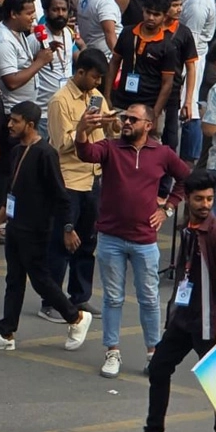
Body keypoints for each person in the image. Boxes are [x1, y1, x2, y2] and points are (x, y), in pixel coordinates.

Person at [76, 103, 191, 379]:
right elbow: (85, 153)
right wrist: (82, 130)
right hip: (111, 238)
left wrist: (167, 208)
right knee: (112, 298)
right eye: (125, 118)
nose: (126, 122)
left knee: (149, 298)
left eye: (132, 119)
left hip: (144, 240)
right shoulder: (110, 148)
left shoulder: (162, 154)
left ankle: (154, 353)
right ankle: (112, 351)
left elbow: (187, 179)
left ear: (148, 125)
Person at [0, 101, 93, 352]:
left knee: (40, 280)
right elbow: (12, 193)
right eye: (10, 120)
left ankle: (76, 317)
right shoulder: (17, 151)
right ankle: (6, 334)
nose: (10, 124)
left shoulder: (45, 154)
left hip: (36, 229)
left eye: (15, 121)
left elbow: (61, 196)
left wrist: (68, 228)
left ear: (31, 124)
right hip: (15, 226)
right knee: (13, 279)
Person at [113, 169, 216, 432]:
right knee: (159, 368)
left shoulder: (214, 231)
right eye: (199, 198)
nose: (205, 204)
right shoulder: (188, 227)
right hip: (184, 318)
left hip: (209, 321)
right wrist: (173, 313)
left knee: (214, 383)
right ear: (188, 199)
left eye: (210, 199)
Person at [42, 48, 110, 324]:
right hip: (69, 179)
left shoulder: (96, 97)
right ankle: (51, 301)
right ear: (80, 72)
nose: (97, 83)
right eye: (94, 77)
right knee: (61, 242)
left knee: (87, 241)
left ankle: (79, 296)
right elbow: (61, 143)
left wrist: (113, 122)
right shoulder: (60, 101)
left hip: (93, 176)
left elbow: (107, 130)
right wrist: (83, 129)